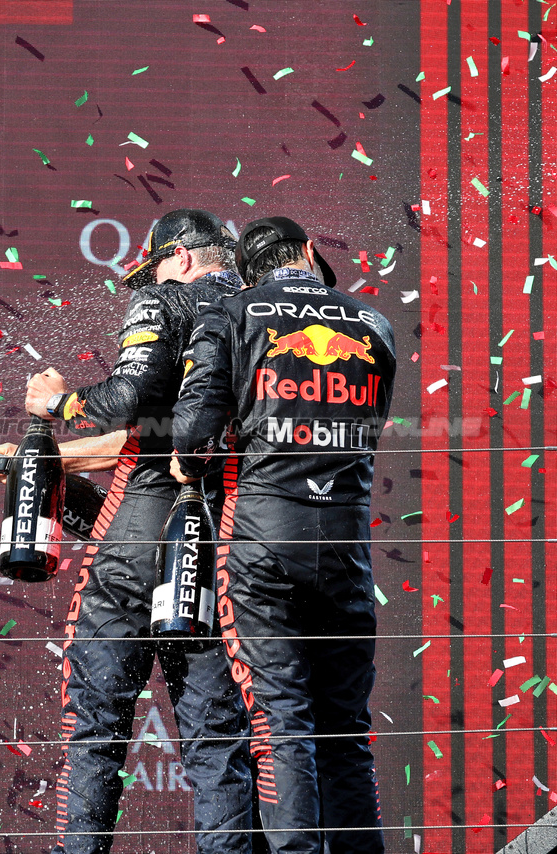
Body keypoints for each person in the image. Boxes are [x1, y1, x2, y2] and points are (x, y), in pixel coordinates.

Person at [0, 209, 255, 854]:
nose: (150, 281)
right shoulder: (262, 315)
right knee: (217, 741)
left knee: (96, 735)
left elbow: (131, 398)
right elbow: (165, 430)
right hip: (218, 546)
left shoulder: (168, 299)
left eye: (157, 267)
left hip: (136, 548)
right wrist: (58, 460)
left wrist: (57, 407)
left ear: (185, 259)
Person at [171, 216, 396, 854]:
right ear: (308, 252)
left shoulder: (231, 313)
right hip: (347, 549)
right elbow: (368, 426)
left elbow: (192, 433)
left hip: (264, 544)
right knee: (347, 728)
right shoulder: (372, 322)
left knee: (282, 724)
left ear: (248, 271)